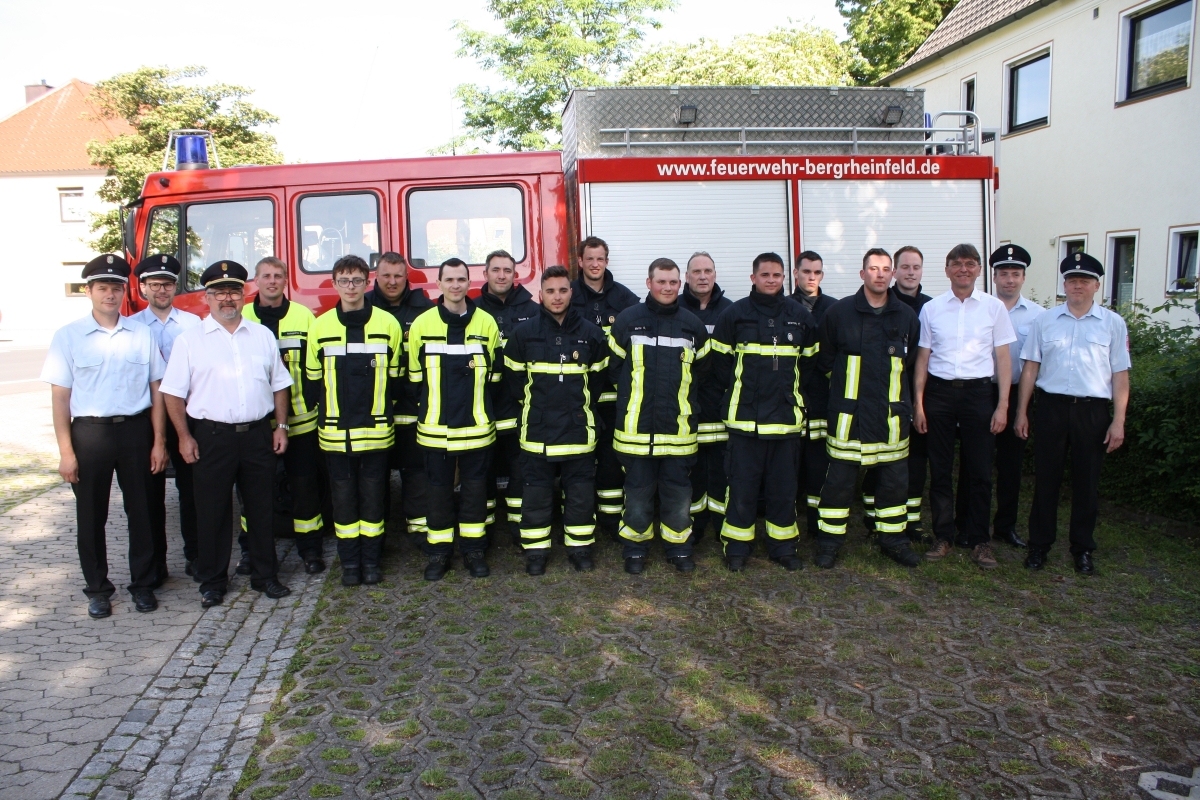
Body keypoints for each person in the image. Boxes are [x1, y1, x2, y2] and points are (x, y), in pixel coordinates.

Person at [160, 261, 293, 608]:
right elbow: (172, 393)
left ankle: (266, 576)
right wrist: (184, 437)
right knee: (212, 512)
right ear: (206, 298)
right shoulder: (189, 341)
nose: (227, 298)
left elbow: (280, 385)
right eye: (219, 292)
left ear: (243, 295)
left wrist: (281, 426)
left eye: (233, 291)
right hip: (211, 437)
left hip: (256, 436)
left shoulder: (262, 335)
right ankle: (213, 581)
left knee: (262, 509)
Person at [42, 255, 169, 618]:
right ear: (88, 291)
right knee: (91, 516)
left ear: (125, 291)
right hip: (90, 434)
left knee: (143, 512)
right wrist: (66, 452)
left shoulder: (141, 333)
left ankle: (143, 585)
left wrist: (159, 441)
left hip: (135, 430)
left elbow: (156, 389)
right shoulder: (68, 337)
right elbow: (60, 398)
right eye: (103, 287)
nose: (110, 294)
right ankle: (98, 589)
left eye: (116, 287)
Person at [1015, 253, 1129, 575]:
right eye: (1071, 280)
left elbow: (1120, 375)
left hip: (1092, 413)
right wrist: (1021, 412)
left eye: (1084, 280)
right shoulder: (1045, 321)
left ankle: (1082, 550)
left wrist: (1118, 420)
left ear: (1096, 286)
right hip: (1051, 408)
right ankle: (1039, 546)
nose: (1077, 285)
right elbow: (1030, 370)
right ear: (1064, 284)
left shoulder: (1113, 324)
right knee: (1045, 481)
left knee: (1087, 484)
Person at [813, 249, 922, 568]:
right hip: (849, 419)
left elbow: (910, 362)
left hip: (890, 420)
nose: (880, 274)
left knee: (893, 486)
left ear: (892, 275)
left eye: (886, 269)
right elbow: (826, 361)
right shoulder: (839, 313)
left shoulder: (906, 317)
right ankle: (829, 543)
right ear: (862, 274)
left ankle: (894, 540)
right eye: (873, 268)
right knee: (837, 487)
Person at [710, 253, 816, 572]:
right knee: (741, 488)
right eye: (765, 275)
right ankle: (738, 549)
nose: (771, 280)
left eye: (777, 275)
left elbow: (809, 364)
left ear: (785, 278)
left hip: (785, 422)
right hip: (745, 422)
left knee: (783, 490)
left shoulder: (800, 316)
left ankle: (783, 548)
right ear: (753, 277)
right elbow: (719, 365)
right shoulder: (735, 315)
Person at [914, 244, 1016, 570]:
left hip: (978, 395)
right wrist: (918, 404)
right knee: (940, 470)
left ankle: (978, 539)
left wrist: (1002, 406)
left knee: (980, 471)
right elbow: (922, 358)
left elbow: (1003, 359)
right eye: (956, 264)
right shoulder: (931, 309)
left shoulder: (993, 308)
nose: (963, 269)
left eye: (970, 264)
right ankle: (943, 535)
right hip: (940, 394)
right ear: (946, 270)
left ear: (978, 270)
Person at [504, 265, 609, 574]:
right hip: (537, 430)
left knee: (579, 493)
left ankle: (579, 548)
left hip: (578, 429)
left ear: (571, 293)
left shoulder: (591, 334)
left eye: (563, 290)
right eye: (550, 291)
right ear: (540, 295)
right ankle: (536, 552)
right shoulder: (524, 334)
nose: (557, 296)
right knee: (535, 493)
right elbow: (515, 383)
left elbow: (599, 381)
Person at [304, 255, 402, 585]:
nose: (350, 287)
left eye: (357, 281)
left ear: (366, 283)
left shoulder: (388, 324)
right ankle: (350, 564)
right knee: (343, 503)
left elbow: (396, 378)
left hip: (376, 433)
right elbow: (313, 381)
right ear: (334, 284)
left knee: (375, 499)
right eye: (344, 281)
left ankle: (372, 562)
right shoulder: (319, 326)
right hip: (335, 435)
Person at [608, 258, 709, 573]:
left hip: (678, 430)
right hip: (636, 430)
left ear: (680, 285)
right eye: (661, 281)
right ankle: (635, 550)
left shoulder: (692, 325)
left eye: (673, 282)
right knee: (637, 495)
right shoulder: (627, 321)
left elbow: (702, 373)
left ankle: (679, 549)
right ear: (649, 283)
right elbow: (613, 369)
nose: (668, 287)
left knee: (678, 495)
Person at [408, 258, 501, 580]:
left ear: (469, 283)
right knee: (437, 493)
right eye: (449, 279)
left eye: (461, 279)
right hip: (435, 430)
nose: (456, 285)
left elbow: (495, 376)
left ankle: (474, 551)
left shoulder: (487, 324)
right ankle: (439, 553)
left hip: (476, 430)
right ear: (439, 284)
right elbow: (416, 378)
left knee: (476, 493)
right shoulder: (422, 325)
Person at [241, 256, 326, 575]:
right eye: (266, 276)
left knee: (305, 490)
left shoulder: (304, 316)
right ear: (256, 280)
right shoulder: (243, 316)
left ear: (286, 280)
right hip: (257, 424)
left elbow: (315, 368)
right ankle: (250, 551)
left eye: (278, 276)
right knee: (253, 491)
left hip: (301, 421)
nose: (272, 281)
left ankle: (310, 550)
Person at [129, 255, 201, 582]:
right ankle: (155, 565)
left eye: (168, 283)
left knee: (192, 492)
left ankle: (196, 557)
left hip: (185, 415)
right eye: (155, 284)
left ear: (175, 286)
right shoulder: (131, 328)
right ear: (143, 287)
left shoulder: (192, 325)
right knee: (148, 496)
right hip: (145, 421)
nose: (162, 289)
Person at [570, 237, 639, 538]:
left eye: (600, 258)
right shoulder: (567, 295)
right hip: (577, 397)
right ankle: (578, 517)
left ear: (607, 261)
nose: (595, 264)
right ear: (581, 261)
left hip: (613, 399)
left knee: (611, 460)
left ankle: (610, 522)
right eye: (590, 258)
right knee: (578, 462)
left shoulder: (625, 299)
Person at [366, 252, 434, 539]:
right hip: (373, 408)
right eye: (386, 276)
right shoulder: (363, 307)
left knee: (415, 470)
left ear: (407, 277)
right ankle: (377, 535)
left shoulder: (424, 308)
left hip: (412, 405)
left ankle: (419, 531)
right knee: (374, 475)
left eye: (398, 276)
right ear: (376, 277)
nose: (392, 282)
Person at [477, 249, 539, 543]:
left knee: (519, 467)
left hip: (519, 403)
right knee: (483, 467)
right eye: (496, 270)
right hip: (482, 403)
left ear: (515, 276)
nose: (501, 275)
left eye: (507, 271)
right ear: (485, 274)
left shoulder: (533, 309)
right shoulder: (472, 309)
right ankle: (484, 525)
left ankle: (518, 525)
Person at [986, 245, 1043, 548]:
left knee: (1011, 464)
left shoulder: (1038, 316)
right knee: (977, 461)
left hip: (1019, 394)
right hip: (982, 391)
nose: (1009, 279)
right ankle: (973, 523)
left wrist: (1020, 409)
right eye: (1004, 273)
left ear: (1023, 278)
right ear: (994, 277)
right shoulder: (980, 307)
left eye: (1015, 274)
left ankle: (1005, 526)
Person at [680, 251, 733, 540]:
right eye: (696, 272)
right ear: (686, 277)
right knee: (692, 471)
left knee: (723, 471)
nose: (702, 276)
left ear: (715, 275)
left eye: (708, 271)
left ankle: (722, 524)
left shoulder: (731, 311)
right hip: (686, 406)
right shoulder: (674, 309)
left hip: (722, 406)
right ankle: (695, 526)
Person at [791, 250, 837, 534]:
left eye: (816, 272)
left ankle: (816, 524)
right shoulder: (783, 307)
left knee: (819, 463)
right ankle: (788, 519)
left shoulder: (834, 309)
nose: (811, 277)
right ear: (796, 274)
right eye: (806, 271)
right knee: (790, 464)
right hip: (790, 395)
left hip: (822, 397)